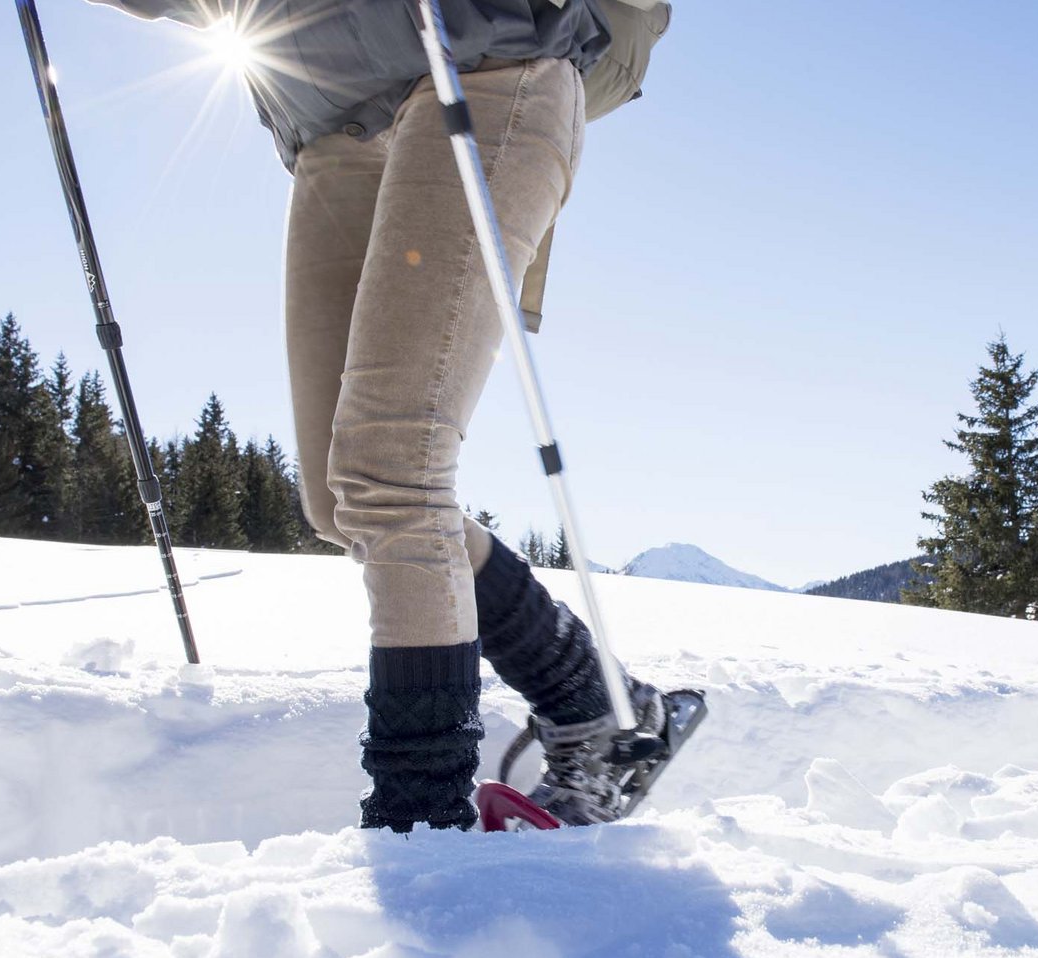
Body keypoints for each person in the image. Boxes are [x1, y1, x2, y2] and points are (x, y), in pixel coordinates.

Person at [89, 0, 675, 830]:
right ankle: (599, 705)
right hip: (330, 132)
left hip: (480, 61)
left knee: (391, 475)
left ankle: (419, 828)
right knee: (341, 501)